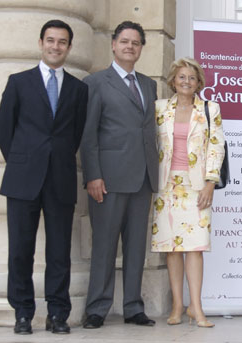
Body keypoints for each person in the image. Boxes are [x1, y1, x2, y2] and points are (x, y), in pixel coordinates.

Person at [0, 20, 88, 335]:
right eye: (50, 40)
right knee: (21, 249)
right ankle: (23, 312)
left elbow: (75, 134)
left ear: (69, 47)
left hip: (60, 178)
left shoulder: (79, 89)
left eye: (62, 42)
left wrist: (54, 161)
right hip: (23, 179)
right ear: (41, 43)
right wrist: (24, 162)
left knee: (59, 251)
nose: (56, 46)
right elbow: (4, 130)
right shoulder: (19, 82)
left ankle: (57, 314)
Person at [80, 21, 158, 328]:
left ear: (140, 48)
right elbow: (88, 135)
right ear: (113, 44)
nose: (130, 46)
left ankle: (133, 307)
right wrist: (92, 175)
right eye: (124, 41)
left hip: (143, 178)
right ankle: (97, 309)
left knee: (137, 246)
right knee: (104, 245)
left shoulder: (149, 85)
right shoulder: (95, 83)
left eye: (136, 43)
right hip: (108, 180)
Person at [151, 58, 225, 328]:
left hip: (197, 187)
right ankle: (177, 306)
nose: (186, 82)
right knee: (172, 249)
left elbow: (217, 147)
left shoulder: (209, 108)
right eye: (181, 77)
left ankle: (196, 307)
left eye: (191, 78)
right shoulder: (159, 109)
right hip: (166, 186)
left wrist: (210, 183)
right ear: (173, 80)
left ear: (198, 83)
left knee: (195, 248)